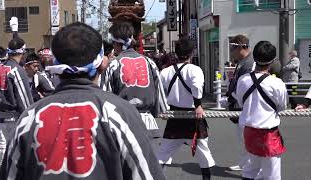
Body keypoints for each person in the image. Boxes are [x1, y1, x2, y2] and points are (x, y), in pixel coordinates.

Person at [0, 22, 166, 180]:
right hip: (142, 118)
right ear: (101, 64)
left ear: (53, 64)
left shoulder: (29, 118)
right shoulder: (119, 112)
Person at [157, 38, 215, 180]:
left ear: (176, 53)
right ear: (192, 53)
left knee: (164, 152)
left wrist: (163, 108)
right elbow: (196, 88)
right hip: (193, 115)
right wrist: (198, 105)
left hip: (174, 116)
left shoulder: (166, 72)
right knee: (203, 153)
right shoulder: (195, 70)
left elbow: (160, 92)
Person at [99, 22, 168, 137]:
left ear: (116, 44)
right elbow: (160, 98)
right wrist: (160, 110)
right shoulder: (150, 62)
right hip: (148, 122)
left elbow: (105, 98)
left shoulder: (113, 65)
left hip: (122, 121)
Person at [235, 41, 287, 180]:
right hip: (268, 134)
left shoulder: (243, 80)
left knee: (249, 171)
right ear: (272, 61)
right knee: (272, 175)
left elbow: (241, 102)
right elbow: (282, 106)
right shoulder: (277, 83)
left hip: (249, 132)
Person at [0, 21, 33, 163]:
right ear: (23, 52)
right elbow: (24, 98)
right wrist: (30, 114)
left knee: (3, 146)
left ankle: (4, 173)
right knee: (18, 147)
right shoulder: (17, 71)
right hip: (14, 115)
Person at [221, 34, 255, 171]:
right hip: (239, 105)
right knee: (242, 138)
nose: (231, 52)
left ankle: (249, 166)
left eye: (232, 49)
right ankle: (244, 163)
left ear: (241, 47)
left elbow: (246, 87)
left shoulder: (249, 63)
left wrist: (231, 97)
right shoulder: (243, 61)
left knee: (247, 138)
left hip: (245, 107)